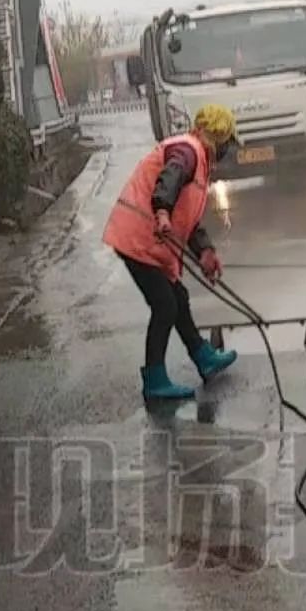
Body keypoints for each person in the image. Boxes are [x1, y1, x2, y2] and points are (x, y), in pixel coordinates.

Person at [102, 103, 240, 400]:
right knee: (165, 305)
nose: (227, 150)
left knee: (178, 297)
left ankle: (203, 356)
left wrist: (205, 252)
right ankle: (155, 380)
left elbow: (188, 218)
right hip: (137, 238)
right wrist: (162, 211)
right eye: (227, 142)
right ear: (218, 136)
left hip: (149, 240)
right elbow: (170, 178)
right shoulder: (187, 151)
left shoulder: (197, 158)